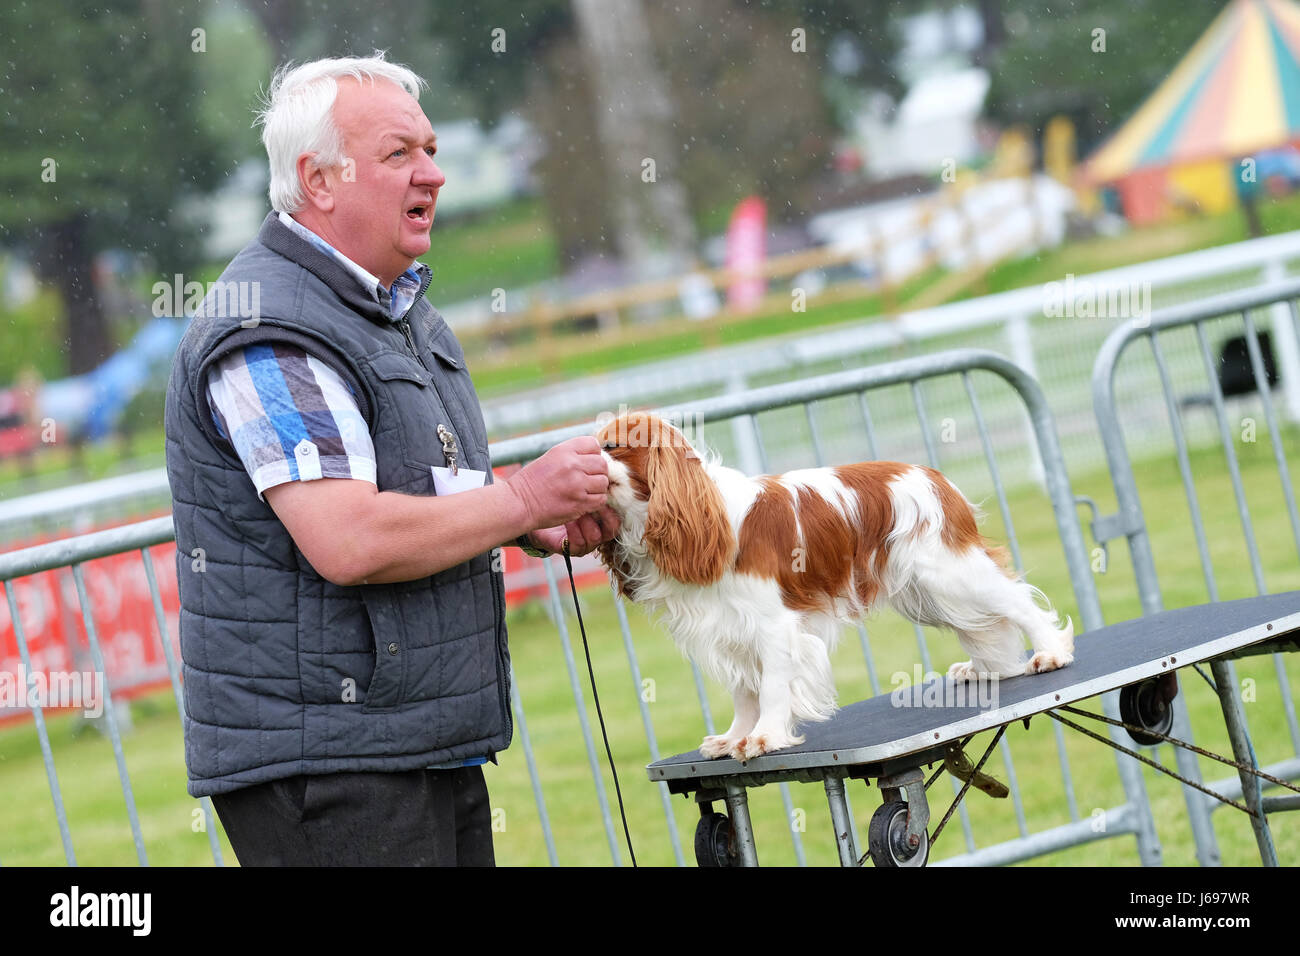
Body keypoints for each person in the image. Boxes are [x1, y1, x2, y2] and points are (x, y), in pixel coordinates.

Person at [163, 53, 619, 866]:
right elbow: (350, 539)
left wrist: (525, 524)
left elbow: (417, 483)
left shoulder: (393, 305)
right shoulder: (269, 329)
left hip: (411, 740)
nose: (434, 174)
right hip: (333, 764)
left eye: (433, 149)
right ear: (320, 180)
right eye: (400, 154)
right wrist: (520, 499)